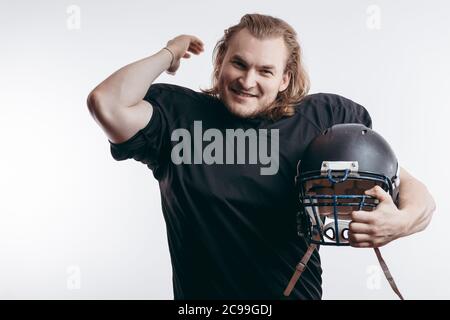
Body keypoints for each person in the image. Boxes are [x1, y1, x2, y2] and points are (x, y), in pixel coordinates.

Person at [87, 13, 435, 299]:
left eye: (265, 71)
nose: (247, 80)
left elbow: (413, 192)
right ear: (220, 61)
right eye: (239, 63)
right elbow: (106, 102)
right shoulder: (178, 119)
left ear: (285, 79)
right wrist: (169, 53)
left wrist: (401, 222)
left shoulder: (317, 124)